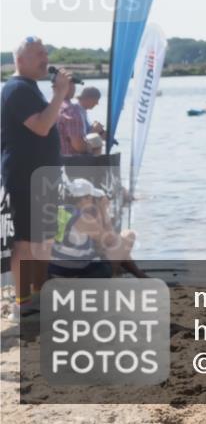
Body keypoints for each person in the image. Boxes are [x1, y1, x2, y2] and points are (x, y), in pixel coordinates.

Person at [1, 37, 72, 316]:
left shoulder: (30, 88)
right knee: (26, 241)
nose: (46, 58)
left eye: (46, 53)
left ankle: (35, 296)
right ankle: (22, 303)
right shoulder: (17, 88)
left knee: (43, 239)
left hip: (41, 176)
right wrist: (60, 94)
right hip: (24, 176)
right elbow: (41, 127)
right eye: (38, 54)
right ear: (20, 60)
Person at [48, 178, 146, 279]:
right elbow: (111, 240)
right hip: (77, 275)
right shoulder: (84, 219)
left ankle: (140, 275)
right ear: (85, 199)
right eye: (92, 198)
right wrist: (104, 210)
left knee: (117, 251)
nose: (93, 201)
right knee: (129, 236)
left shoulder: (60, 210)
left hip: (57, 270)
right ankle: (116, 279)